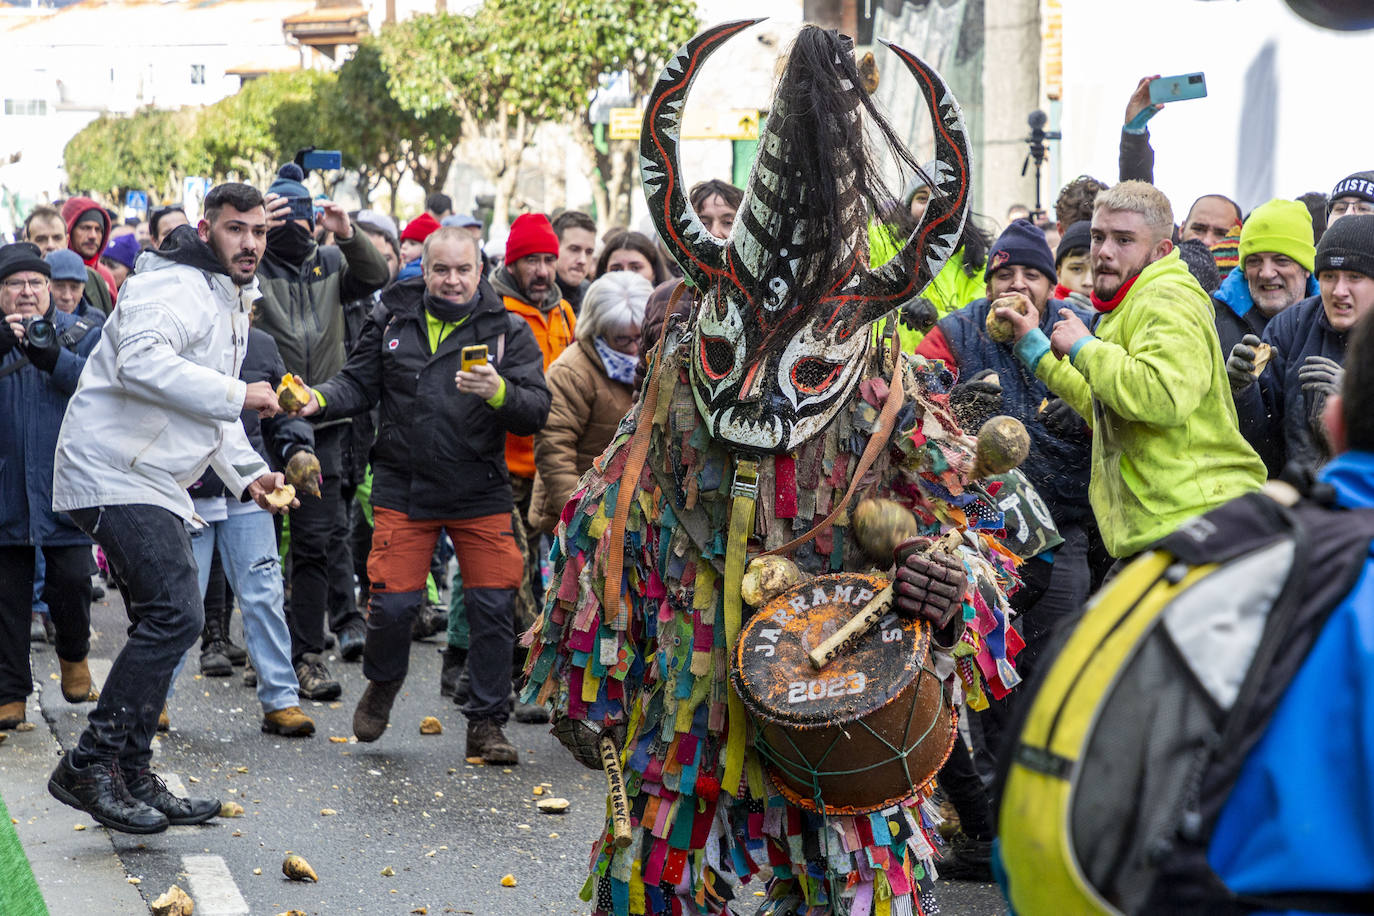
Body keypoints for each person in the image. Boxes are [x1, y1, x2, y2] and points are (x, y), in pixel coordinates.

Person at [525, 24, 1026, 915]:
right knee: (656, 885)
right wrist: (586, 667)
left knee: (863, 892)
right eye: (737, 348)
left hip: (838, 700)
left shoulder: (884, 396)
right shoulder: (675, 389)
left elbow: (987, 525)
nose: (760, 392)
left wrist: (949, 579)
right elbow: (608, 525)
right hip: (692, 711)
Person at [47, 183, 292, 835]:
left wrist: (250, 476)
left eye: (260, 232)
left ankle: (128, 769)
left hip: (147, 473)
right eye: (236, 229)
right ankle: (93, 763)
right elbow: (140, 361)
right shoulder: (175, 283)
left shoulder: (228, 298)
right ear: (208, 229)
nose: (250, 243)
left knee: (175, 617)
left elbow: (209, 409)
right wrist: (240, 391)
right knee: (176, 612)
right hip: (112, 466)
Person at [296, 227, 550, 763]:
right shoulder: (391, 319)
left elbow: (535, 411)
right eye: (441, 270)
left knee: (492, 606)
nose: (452, 280)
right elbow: (359, 384)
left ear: (480, 271)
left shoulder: (508, 330)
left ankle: (485, 722)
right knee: (392, 607)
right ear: (424, 269)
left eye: (463, 270)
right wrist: (318, 399)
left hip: (479, 489)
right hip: (403, 485)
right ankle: (383, 683)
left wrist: (498, 391)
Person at [997, 180, 1267, 563]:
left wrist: (1084, 346)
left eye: (1124, 240)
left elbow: (1162, 398)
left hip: (1198, 528)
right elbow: (1109, 406)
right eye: (1098, 236)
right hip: (1166, 532)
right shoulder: (1132, 301)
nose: (1103, 253)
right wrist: (1036, 346)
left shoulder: (1168, 298)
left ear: (1160, 250)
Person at [252, 162, 390, 698]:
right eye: (278, 216)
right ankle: (263, 646)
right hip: (258, 421)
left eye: (300, 215)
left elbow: (376, 276)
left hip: (322, 420)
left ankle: (307, 655)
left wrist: (347, 232)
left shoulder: (332, 261)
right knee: (255, 544)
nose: (294, 226)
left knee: (312, 543)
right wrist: (257, 231)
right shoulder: (253, 266)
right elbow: (219, 274)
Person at [185, 325, 318, 737]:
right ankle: (152, 700)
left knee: (264, 593)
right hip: (190, 489)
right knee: (178, 602)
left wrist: (299, 449)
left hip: (251, 488)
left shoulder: (261, 343)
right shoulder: (184, 335)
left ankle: (281, 700)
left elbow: (283, 413)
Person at [0, 242, 103, 732]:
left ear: (48, 289)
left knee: (73, 582)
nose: (26, 292)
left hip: (66, 487)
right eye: (14, 284)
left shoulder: (82, 331)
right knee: (6, 598)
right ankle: (10, 693)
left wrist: (53, 359)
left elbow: (103, 388)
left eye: (35, 283)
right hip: (5, 489)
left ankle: (74, 655)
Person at [1227, 214, 1374, 478]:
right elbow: (1261, 443)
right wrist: (1242, 392)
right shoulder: (1291, 327)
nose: (1339, 290)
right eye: (1329, 276)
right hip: (1300, 499)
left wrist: (1360, 403)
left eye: (1354, 276)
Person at [491, 213, 574, 666]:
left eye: (548, 259)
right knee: (513, 571)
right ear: (512, 264)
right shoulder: (492, 312)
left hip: (549, 466)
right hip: (502, 466)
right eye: (531, 260)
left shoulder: (564, 311)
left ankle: (479, 668)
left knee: (548, 572)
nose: (542, 271)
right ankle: (523, 668)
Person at [530, 271, 648, 535]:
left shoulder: (652, 360)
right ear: (599, 329)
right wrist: (580, 519)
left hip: (626, 510)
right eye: (621, 339)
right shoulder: (571, 373)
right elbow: (554, 452)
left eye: (639, 338)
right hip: (575, 513)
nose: (632, 349)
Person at [637, 179, 743, 383]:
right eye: (702, 223)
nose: (714, 232)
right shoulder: (663, 298)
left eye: (728, 222)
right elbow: (644, 380)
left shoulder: (765, 300)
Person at [1213, 198, 1318, 358]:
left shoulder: (1335, 318)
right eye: (1254, 261)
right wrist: (1229, 381)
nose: (1267, 273)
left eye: (1281, 261)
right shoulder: (1211, 317)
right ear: (1244, 270)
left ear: (1306, 268)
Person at [24, 205, 112, 316]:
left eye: (57, 238)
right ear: (28, 243)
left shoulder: (93, 278)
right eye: (41, 239)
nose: (50, 245)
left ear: (67, 240)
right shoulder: (15, 283)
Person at [61, 197, 118, 304]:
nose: (93, 236)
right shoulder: (53, 272)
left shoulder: (106, 276)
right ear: (69, 230)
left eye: (98, 229)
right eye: (85, 228)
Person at [551, 210, 596, 313]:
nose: (583, 260)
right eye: (574, 249)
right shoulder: (536, 295)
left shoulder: (592, 297)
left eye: (589, 252)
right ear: (554, 247)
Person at [44, 249, 105, 324]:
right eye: (59, 286)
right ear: (45, 286)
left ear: (83, 289)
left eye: (74, 288)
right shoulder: (33, 318)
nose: (67, 297)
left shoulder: (96, 319)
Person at [593, 229, 668, 286]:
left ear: (654, 271)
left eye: (635, 268)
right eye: (616, 270)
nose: (626, 274)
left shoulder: (673, 305)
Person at [1053, 219, 1093, 305]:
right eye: (1077, 269)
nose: (1088, 282)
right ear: (1059, 272)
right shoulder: (1041, 311)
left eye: (1098, 271)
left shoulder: (1123, 310)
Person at [398, 213, 440, 281]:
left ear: (427, 248)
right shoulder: (405, 266)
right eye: (403, 242)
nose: (404, 246)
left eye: (412, 244)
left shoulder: (409, 274)